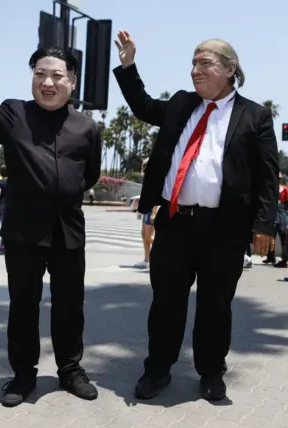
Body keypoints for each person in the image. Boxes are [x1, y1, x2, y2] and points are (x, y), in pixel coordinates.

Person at [113, 31, 278, 401]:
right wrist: (128, 67)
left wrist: (264, 224)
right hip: (175, 223)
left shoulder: (255, 116)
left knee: (215, 304)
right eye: (193, 63)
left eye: (204, 64)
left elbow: (268, 175)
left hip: (225, 228)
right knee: (166, 301)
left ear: (230, 70)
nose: (195, 71)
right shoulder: (182, 104)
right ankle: (157, 369)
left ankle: (210, 371)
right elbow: (142, 107)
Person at [0, 27, 101, 406]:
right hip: (24, 231)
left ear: (72, 79)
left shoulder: (87, 127)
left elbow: (90, 175)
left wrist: (63, 190)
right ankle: (23, 375)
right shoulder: (14, 113)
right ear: (32, 78)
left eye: (57, 75)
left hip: (68, 231)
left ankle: (70, 370)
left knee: (70, 305)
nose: (48, 82)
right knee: (23, 305)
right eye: (40, 74)